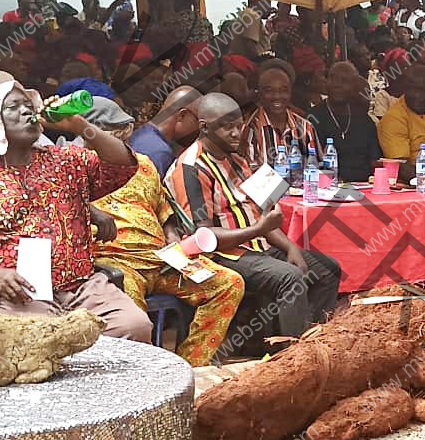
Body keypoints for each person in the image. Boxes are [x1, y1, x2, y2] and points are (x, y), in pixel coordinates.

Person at [0, 79, 151, 340]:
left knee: (134, 326)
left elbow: (122, 164)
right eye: (13, 107)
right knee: (39, 342)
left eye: (27, 105)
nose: (26, 111)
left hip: (81, 285)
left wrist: (80, 125)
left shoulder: (67, 160)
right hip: (22, 290)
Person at [167, 93, 340, 345]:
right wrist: (259, 229)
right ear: (205, 127)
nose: (237, 133)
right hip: (224, 254)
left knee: (327, 269)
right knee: (289, 277)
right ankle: (292, 357)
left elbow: (260, 212)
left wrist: (291, 248)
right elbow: (203, 238)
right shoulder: (191, 168)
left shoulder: (238, 158)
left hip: (256, 246)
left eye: (239, 126)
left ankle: (315, 342)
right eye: (228, 128)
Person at [82, 99, 243, 366]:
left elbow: (164, 210)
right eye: (108, 131)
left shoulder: (142, 163)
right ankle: (143, 380)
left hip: (161, 258)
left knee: (228, 283)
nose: (116, 136)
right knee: (132, 317)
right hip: (115, 263)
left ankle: (191, 365)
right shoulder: (76, 167)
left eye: (120, 130)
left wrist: (172, 239)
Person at [307, 61, 380, 182]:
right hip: (328, 186)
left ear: (354, 86)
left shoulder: (364, 120)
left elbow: (375, 160)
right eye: (333, 78)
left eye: (345, 81)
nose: (338, 85)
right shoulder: (312, 118)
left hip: (365, 186)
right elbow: (309, 162)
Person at [241, 59, 320, 168]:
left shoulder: (305, 127)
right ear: (259, 93)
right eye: (269, 90)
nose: (277, 96)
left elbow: (319, 168)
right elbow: (247, 176)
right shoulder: (249, 128)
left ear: (290, 92)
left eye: (283, 90)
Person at [129, 85, 202, 179]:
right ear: (182, 116)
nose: (199, 131)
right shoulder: (159, 153)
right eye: (198, 122)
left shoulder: (141, 133)